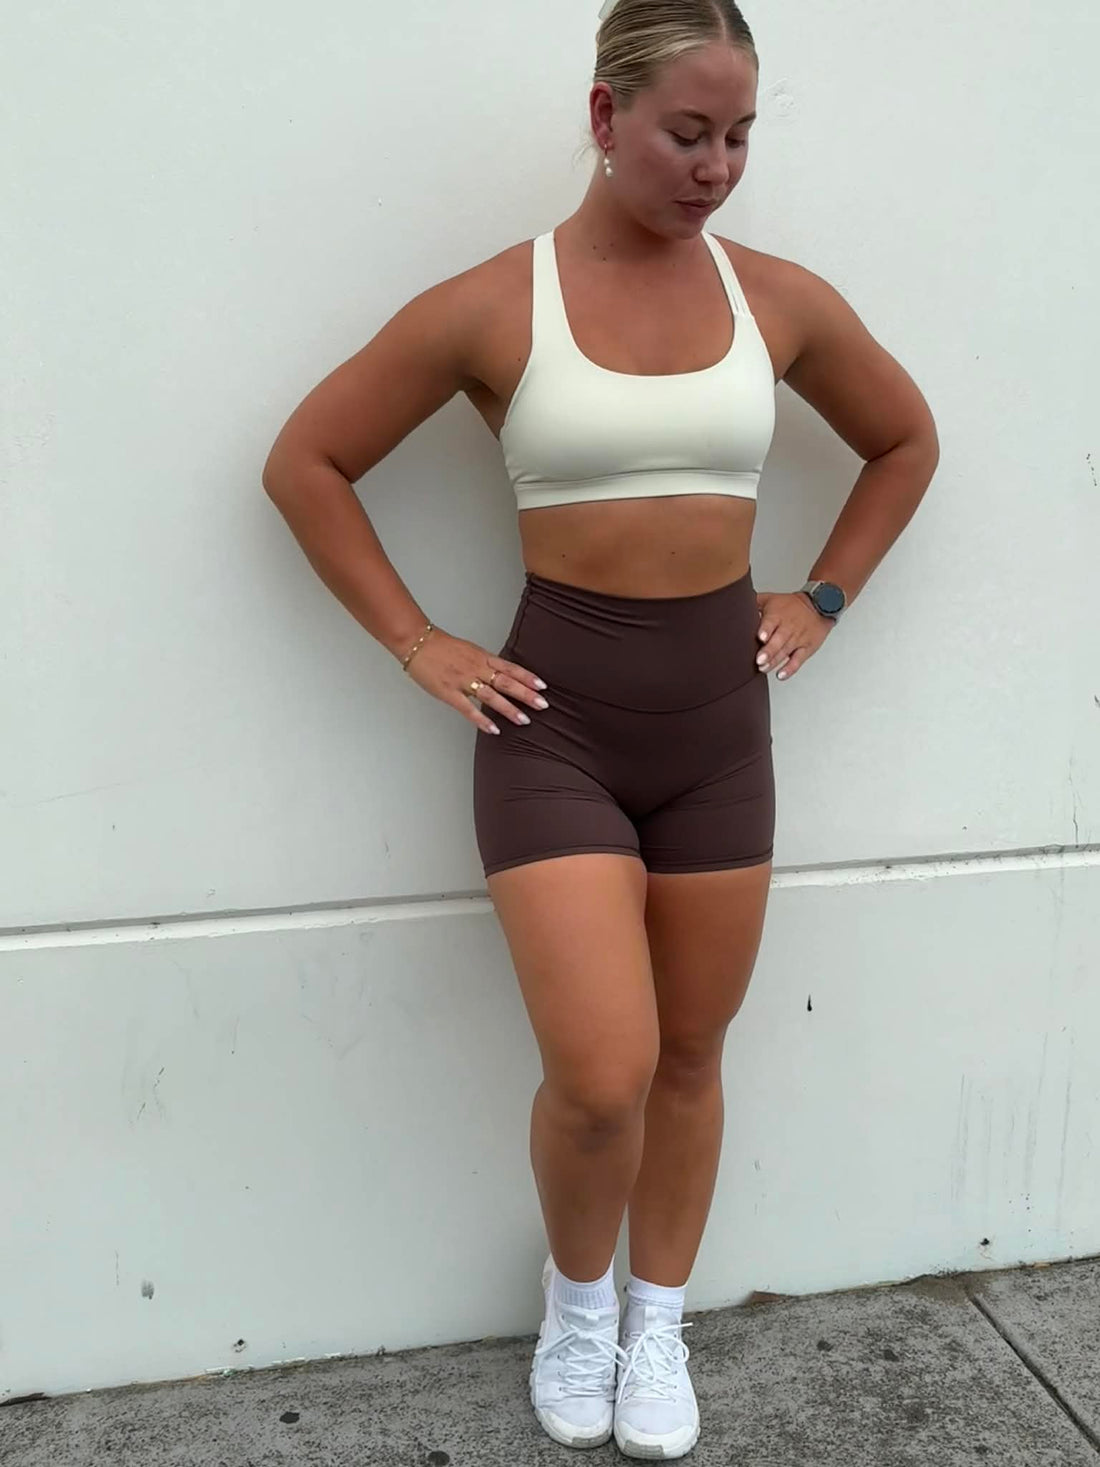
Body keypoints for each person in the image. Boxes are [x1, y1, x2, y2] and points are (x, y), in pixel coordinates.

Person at [262, 0, 939, 1457]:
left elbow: (905, 439)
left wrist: (825, 593)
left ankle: (657, 1325)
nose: (716, 166)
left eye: (739, 135)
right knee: (600, 1073)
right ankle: (578, 1309)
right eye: (687, 132)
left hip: (720, 737)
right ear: (602, 116)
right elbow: (307, 460)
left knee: (691, 1054)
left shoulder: (778, 301)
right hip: (555, 733)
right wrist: (418, 642)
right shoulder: (494, 306)